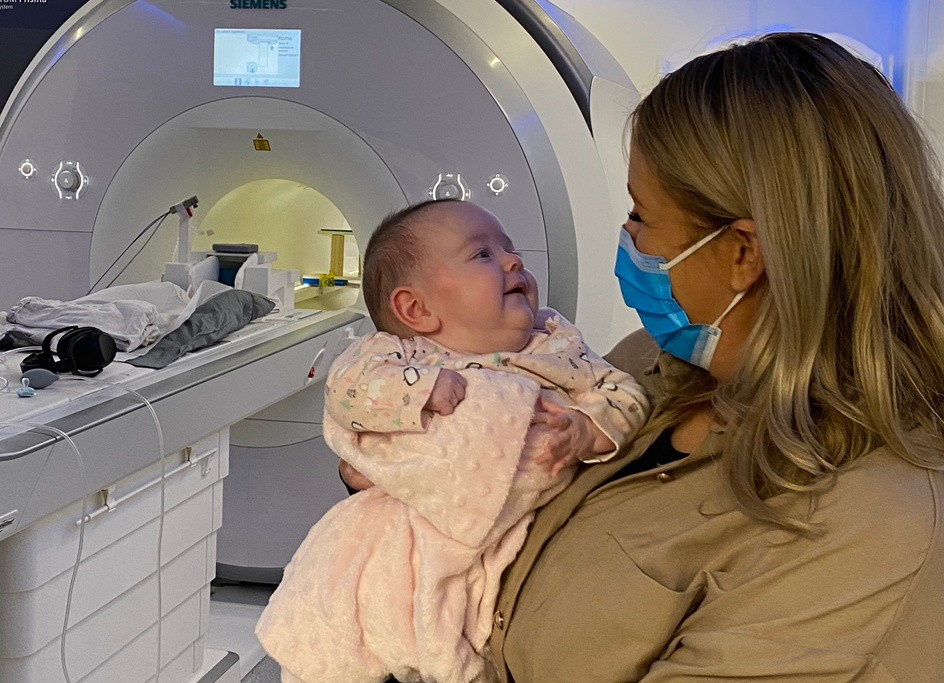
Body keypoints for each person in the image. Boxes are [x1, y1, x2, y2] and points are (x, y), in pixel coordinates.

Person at [339, 32, 944, 681]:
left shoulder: (866, 528)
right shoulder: (646, 367)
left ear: (743, 253)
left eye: (641, 216)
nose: (627, 240)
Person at [255, 199, 649, 683]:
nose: (513, 261)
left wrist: (589, 427)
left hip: (511, 523)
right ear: (415, 309)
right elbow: (346, 391)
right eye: (483, 255)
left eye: (508, 249)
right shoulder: (398, 355)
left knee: (465, 610)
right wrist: (418, 390)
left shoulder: (555, 342)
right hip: (415, 522)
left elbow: (623, 390)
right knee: (361, 583)